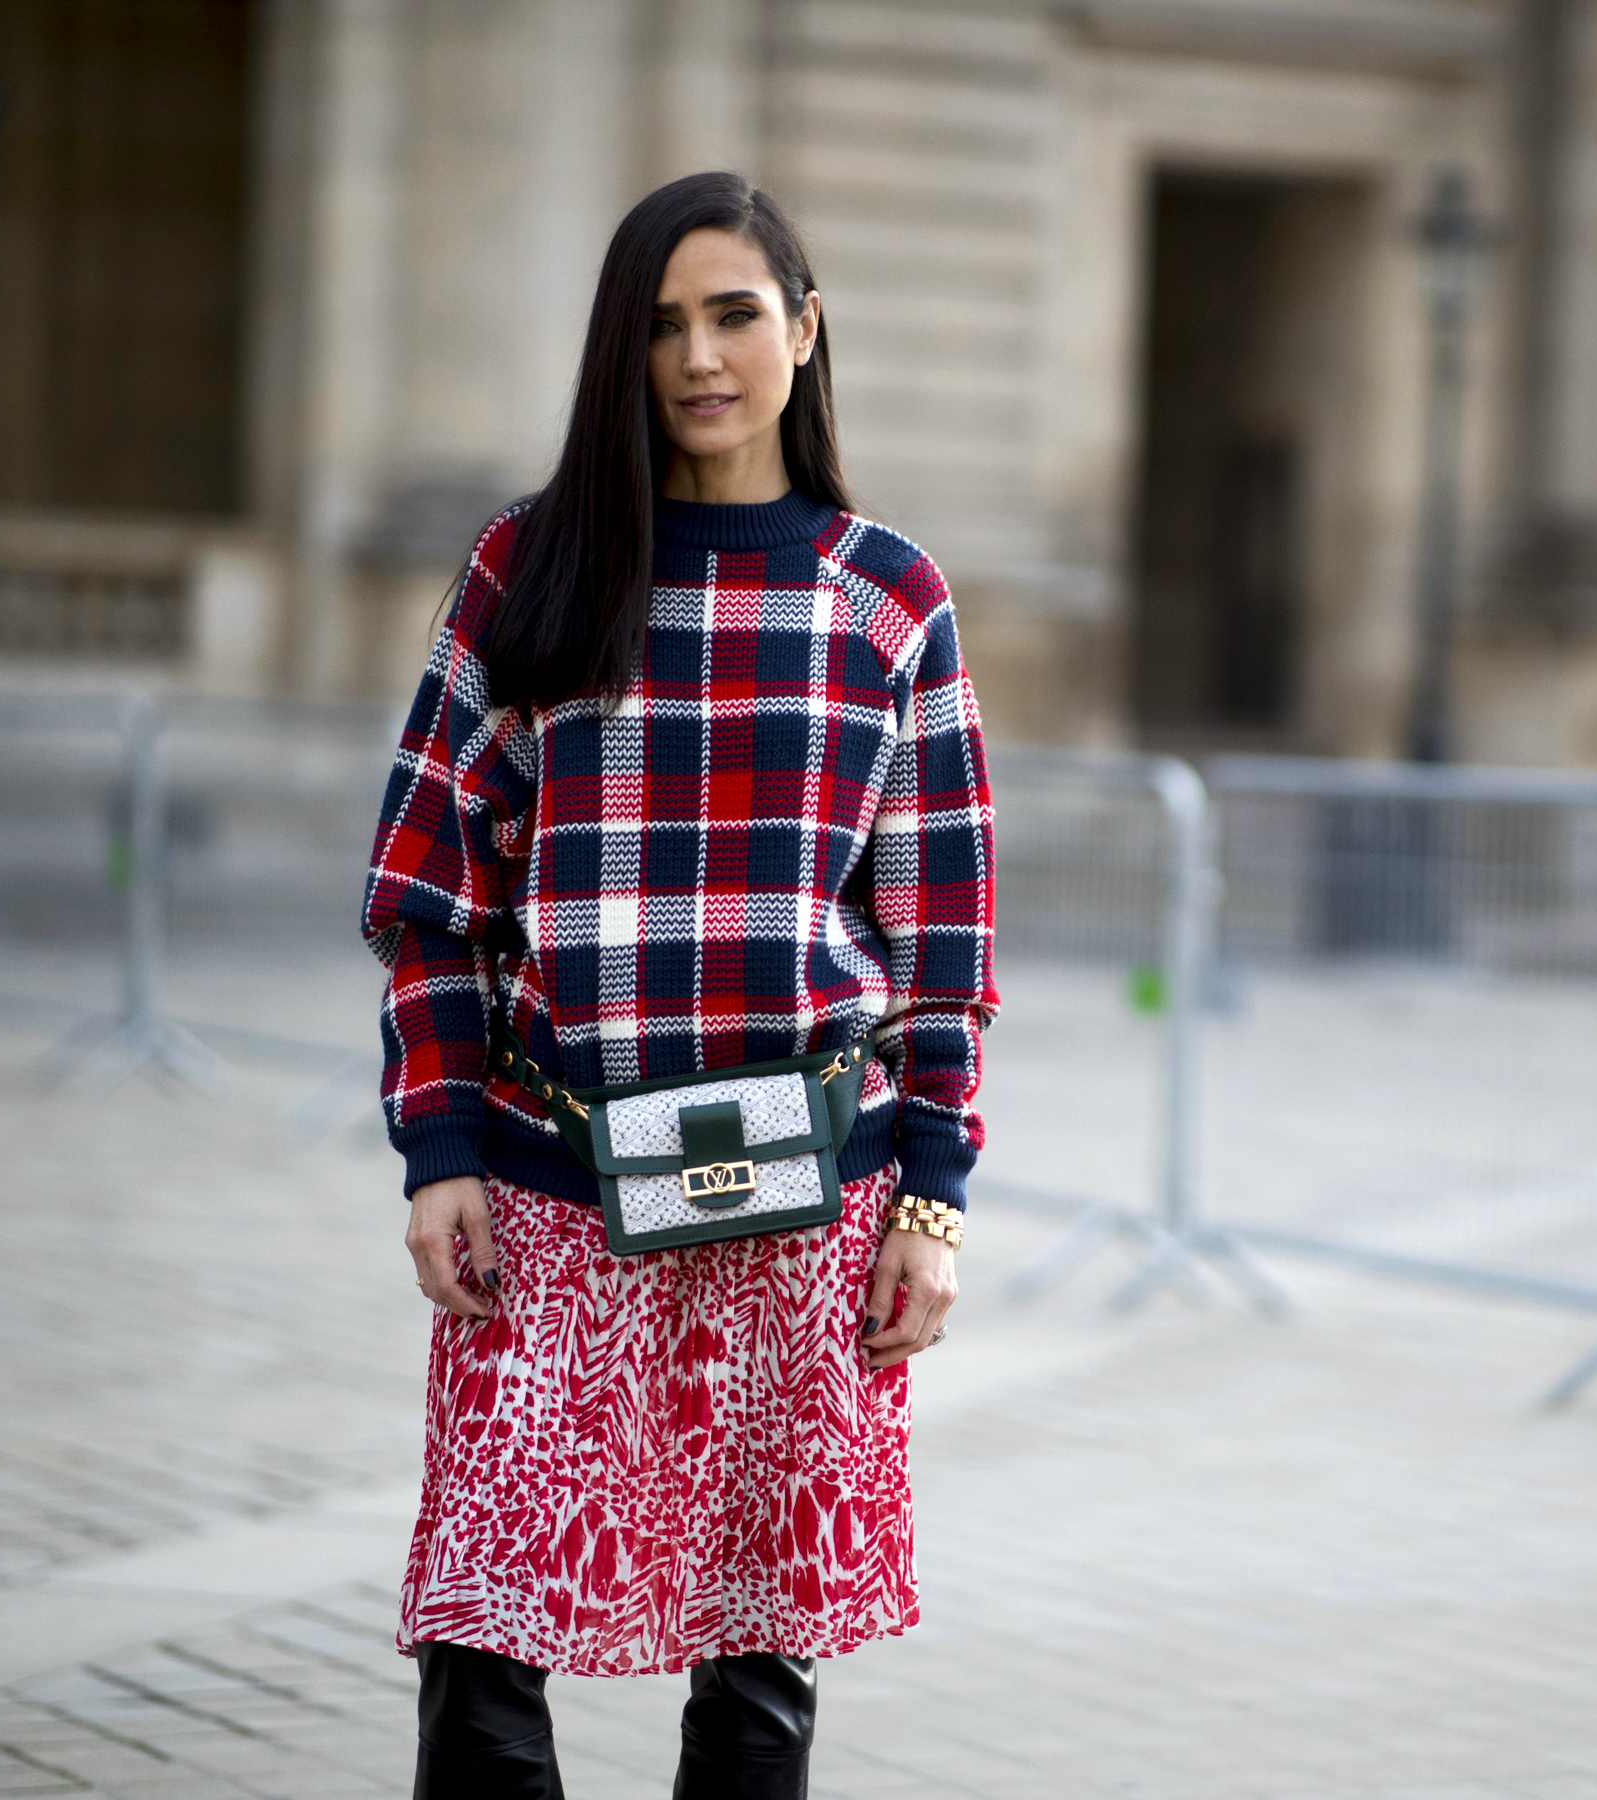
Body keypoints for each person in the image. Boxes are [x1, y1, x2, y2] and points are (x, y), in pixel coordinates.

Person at [360, 171, 997, 1800]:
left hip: (805, 1192)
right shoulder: (530, 569)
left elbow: (943, 947)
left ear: (804, 323)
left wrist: (931, 1202)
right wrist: (437, 1155)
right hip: (550, 1182)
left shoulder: (889, 599)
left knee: (758, 1654)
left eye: (732, 313)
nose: (699, 356)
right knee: (485, 1631)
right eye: (660, 324)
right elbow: (428, 896)